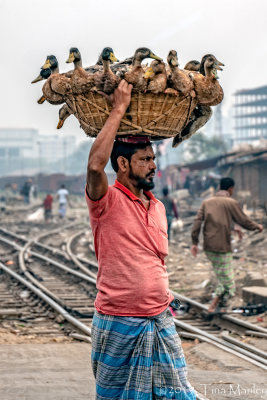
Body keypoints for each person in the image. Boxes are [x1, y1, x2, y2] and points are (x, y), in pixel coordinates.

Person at [86, 80, 196, 399]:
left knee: (177, 393)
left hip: (160, 319)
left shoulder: (158, 207)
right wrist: (119, 107)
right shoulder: (106, 201)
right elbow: (95, 166)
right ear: (122, 164)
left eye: (152, 157)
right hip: (119, 323)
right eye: (144, 159)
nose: (153, 165)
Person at [191, 177, 263, 313]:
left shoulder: (206, 203)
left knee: (222, 277)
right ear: (231, 189)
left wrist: (194, 242)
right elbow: (243, 220)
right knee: (229, 282)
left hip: (209, 247)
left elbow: (197, 223)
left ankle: (220, 305)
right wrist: (257, 227)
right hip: (223, 247)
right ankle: (214, 305)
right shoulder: (231, 202)